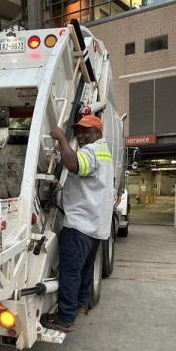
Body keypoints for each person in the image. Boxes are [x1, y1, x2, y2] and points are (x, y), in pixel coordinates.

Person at [45, 114, 114, 333]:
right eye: (78, 131)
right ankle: (82, 304)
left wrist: (61, 139)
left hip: (80, 224)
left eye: (86, 131)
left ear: (98, 134)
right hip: (95, 225)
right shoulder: (104, 152)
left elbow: (74, 164)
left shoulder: (91, 151)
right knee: (84, 270)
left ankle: (65, 319)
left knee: (70, 272)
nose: (81, 135)